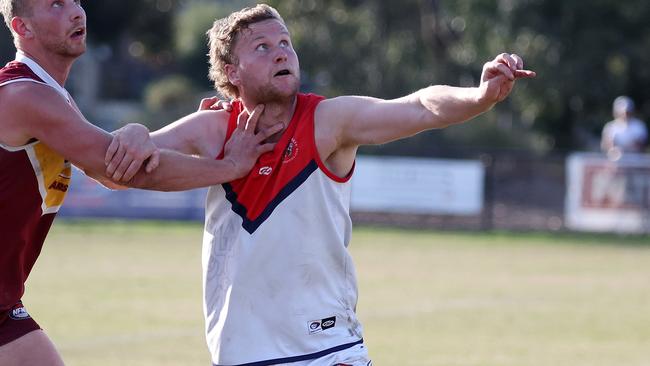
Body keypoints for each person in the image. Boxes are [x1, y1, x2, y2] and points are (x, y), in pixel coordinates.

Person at [107, 4, 535, 365]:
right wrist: (133, 132)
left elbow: (420, 105)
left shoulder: (329, 121)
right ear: (230, 70)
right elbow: (119, 164)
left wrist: (479, 96)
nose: (280, 54)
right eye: (262, 47)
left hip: (329, 349)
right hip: (242, 353)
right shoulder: (214, 129)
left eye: (285, 44)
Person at [0, 1, 283, 365]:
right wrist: (231, 165)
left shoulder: (52, 96)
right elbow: (130, 170)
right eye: (55, 4)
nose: (76, 11)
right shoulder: (28, 95)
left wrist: (165, 134)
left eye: (75, 1)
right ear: (23, 29)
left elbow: (110, 174)